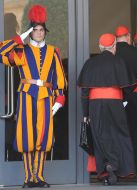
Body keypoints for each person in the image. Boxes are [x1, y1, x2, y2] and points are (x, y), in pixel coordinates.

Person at [0, 5, 67, 188]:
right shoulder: (22, 50)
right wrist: (19, 38)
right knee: (27, 138)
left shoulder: (54, 52)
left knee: (42, 139)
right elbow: (2, 53)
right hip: (26, 97)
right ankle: (28, 178)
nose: (38, 33)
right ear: (30, 32)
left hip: (46, 98)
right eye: (35, 30)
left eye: (41, 30)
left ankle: (39, 177)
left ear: (45, 31)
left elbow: (59, 78)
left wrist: (59, 101)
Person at [78, 33, 136, 185]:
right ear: (114, 47)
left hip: (95, 104)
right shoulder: (119, 61)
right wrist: (125, 101)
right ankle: (116, 165)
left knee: (99, 136)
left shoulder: (90, 63)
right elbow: (130, 87)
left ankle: (105, 170)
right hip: (115, 102)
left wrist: (85, 114)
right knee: (119, 134)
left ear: (100, 46)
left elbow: (84, 92)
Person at [114, 26, 137, 181]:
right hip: (135, 96)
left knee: (118, 132)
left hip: (116, 97)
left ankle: (120, 170)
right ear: (128, 37)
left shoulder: (112, 53)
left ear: (116, 38)